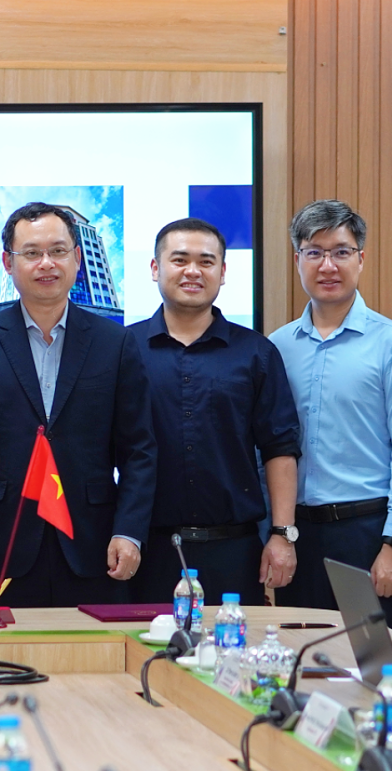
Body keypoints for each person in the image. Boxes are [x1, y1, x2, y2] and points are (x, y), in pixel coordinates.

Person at [0, 202, 157, 607]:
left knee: (97, 665)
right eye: (32, 253)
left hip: (95, 543)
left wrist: (129, 532)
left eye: (58, 251)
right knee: (4, 665)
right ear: (9, 263)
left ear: (77, 259)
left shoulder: (116, 342)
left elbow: (139, 450)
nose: (47, 263)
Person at [269, 200, 392, 635]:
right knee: (305, 664)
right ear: (297, 259)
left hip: (368, 534)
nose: (327, 265)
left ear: (361, 258)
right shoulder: (277, 347)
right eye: (314, 252)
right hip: (299, 537)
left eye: (341, 251)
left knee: (372, 667)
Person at [128, 218, 301, 607]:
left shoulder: (256, 352)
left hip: (235, 551)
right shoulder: (124, 348)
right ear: (155, 268)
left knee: (232, 661)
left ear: (223, 273)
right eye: (179, 260)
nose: (193, 271)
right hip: (146, 550)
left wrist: (281, 533)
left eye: (206, 262)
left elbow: (280, 448)